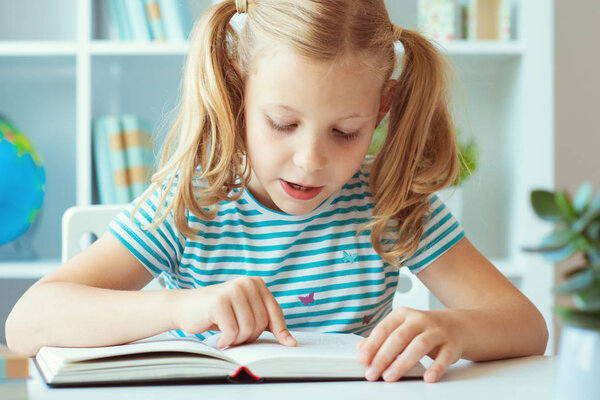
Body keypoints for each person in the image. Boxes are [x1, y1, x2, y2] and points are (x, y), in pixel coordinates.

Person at [6, 0, 548, 383]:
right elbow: (27, 322)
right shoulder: (192, 200)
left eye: (345, 132)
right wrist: (181, 307)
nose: (311, 161)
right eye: (282, 124)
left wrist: (454, 326)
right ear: (239, 91)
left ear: (382, 109)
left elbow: (526, 325)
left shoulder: (390, 203)